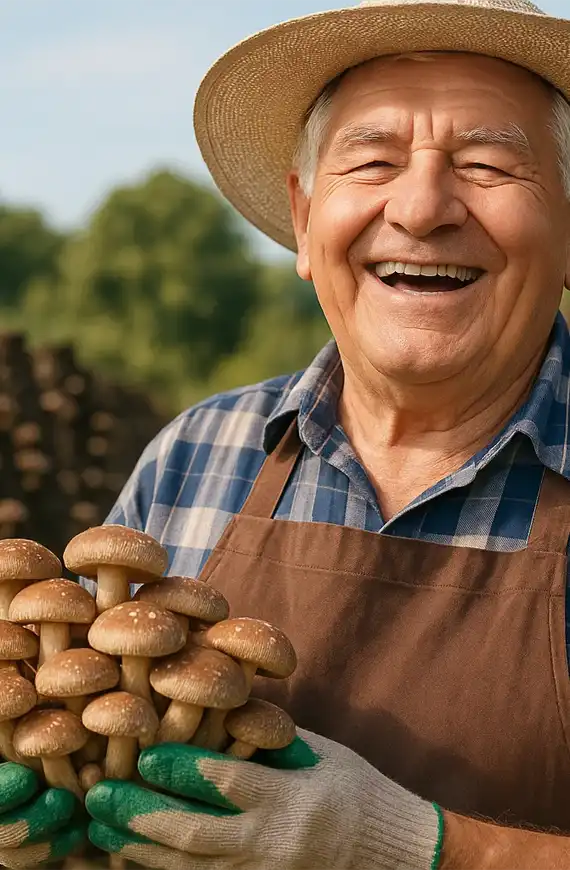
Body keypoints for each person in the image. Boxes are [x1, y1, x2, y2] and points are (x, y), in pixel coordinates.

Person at [5, 0, 570, 866]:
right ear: (305, 220)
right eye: (373, 159)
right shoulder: (192, 454)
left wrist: (419, 847)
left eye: (490, 164)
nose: (421, 208)